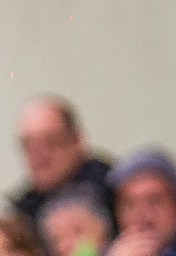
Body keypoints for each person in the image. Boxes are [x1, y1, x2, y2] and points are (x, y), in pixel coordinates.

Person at [8, 96, 113, 243]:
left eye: (51, 142)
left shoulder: (118, 192)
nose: (40, 156)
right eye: (29, 146)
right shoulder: (20, 217)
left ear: (77, 140)